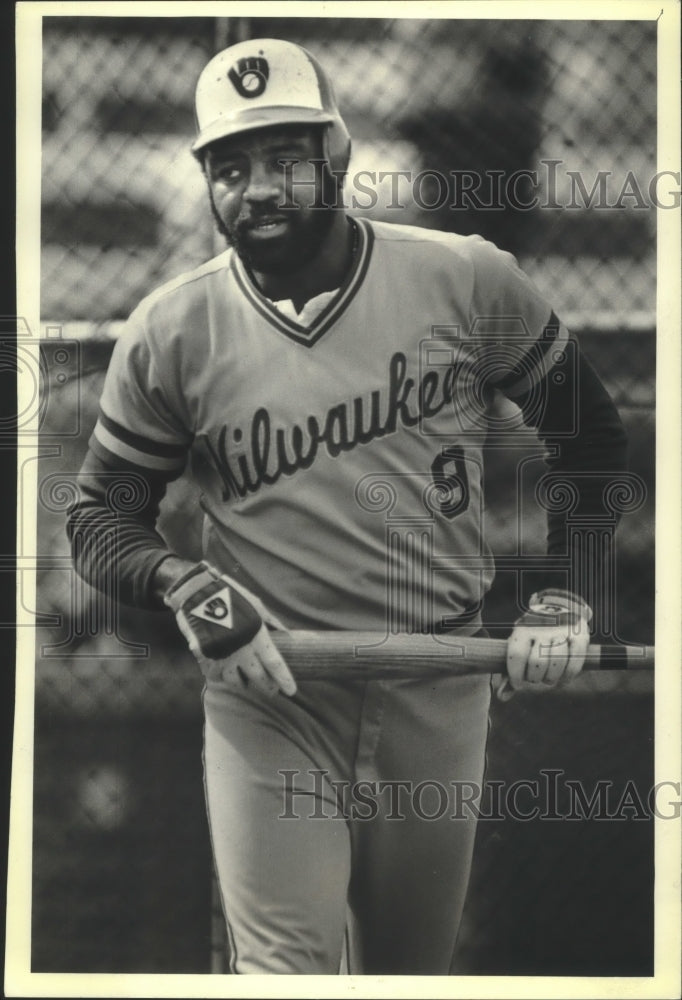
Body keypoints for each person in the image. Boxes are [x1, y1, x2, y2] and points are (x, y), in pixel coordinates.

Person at [67, 38, 628, 974]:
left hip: (440, 680)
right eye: (231, 167)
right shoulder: (172, 329)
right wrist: (188, 588)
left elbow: (591, 440)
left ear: (338, 156)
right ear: (208, 182)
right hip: (274, 690)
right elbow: (99, 519)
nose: (259, 190)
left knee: (405, 975)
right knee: (286, 973)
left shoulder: (464, 276)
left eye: (286, 158)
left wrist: (563, 596)